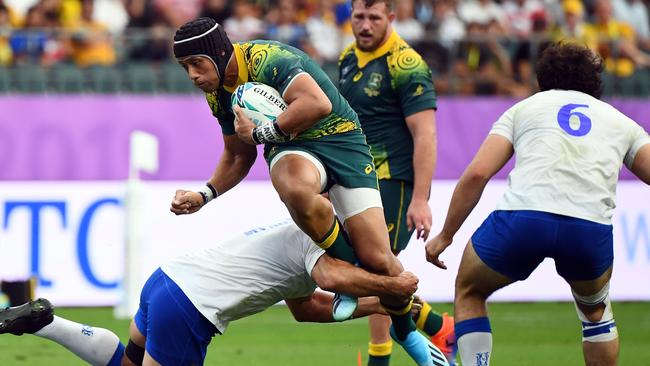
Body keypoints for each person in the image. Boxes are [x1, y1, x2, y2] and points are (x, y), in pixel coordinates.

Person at [168, 17, 438, 364]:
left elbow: (317, 104)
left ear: (220, 53)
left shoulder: (268, 60)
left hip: (341, 139)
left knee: (381, 261)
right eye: (184, 67)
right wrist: (204, 194)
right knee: (293, 185)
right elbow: (238, 153)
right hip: (293, 146)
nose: (192, 75)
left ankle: (405, 330)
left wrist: (263, 133)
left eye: (196, 64)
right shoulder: (217, 95)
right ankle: (348, 278)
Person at [424, 42, 650, 366]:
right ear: (595, 83)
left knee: (470, 290)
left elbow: (477, 174)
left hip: (523, 220)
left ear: (541, 80)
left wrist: (445, 235)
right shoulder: (621, 122)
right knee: (596, 314)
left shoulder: (525, 109)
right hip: (587, 229)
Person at [0, 219, 450, 365]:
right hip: (190, 309)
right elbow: (333, 281)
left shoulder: (298, 237)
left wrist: (378, 303)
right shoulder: (319, 242)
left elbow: (308, 308)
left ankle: (47, 322)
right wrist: (392, 285)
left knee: (128, 362)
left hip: (165, 281)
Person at [338, 1, 455, 365]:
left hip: (394, 182)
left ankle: (384, 356)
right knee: (371, 272)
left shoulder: (407, 64)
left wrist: (421, 199)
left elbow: (426, 136)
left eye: (374, 17)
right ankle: (438, 326)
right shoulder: (346, 58)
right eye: (360, 17)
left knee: (375, 272)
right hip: (357, 179)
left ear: (390, 18)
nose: (366, 25)